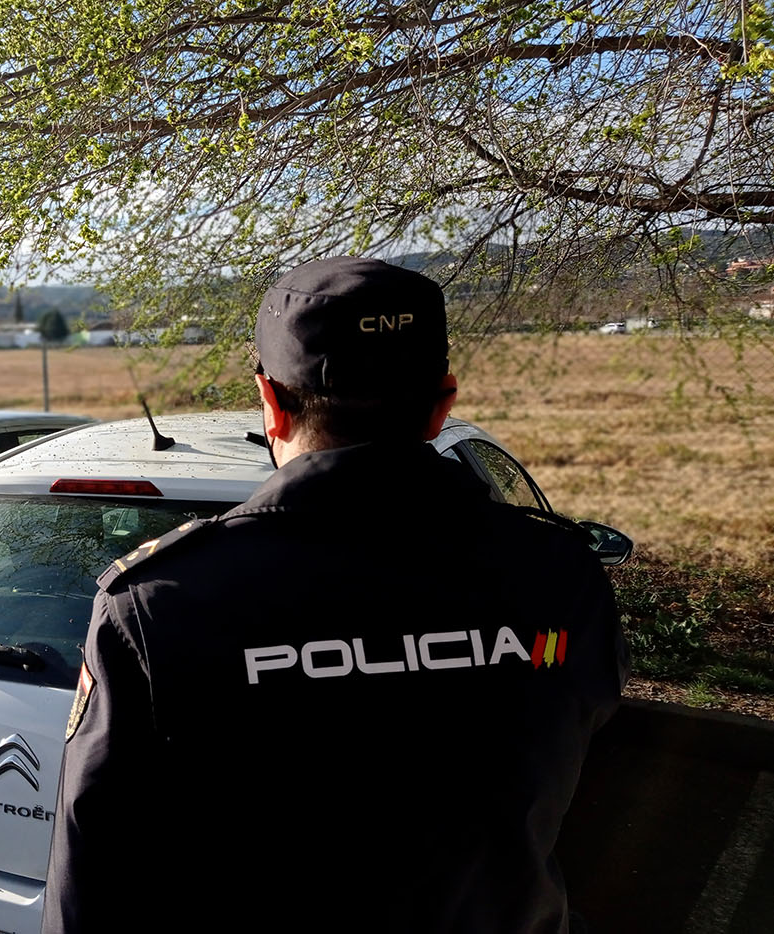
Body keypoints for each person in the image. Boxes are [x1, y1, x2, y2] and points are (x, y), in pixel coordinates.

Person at [41, 256, 628, 934]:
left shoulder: (159, 603)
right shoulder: (559, 572)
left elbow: (92, 881)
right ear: (441, 404)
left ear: (270, 403)